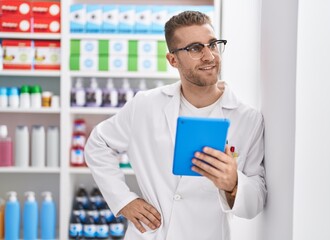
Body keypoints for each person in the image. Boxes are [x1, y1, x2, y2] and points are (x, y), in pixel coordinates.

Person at [84, 10, 266, 240]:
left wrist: (234, 184)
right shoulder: (145, 105)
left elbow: (257, 200)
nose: (209, 56)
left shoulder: (248, 119)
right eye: (195, 48)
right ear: (173, 60)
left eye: (212, 44)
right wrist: (123, 200)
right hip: (151, 234)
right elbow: (98, 143)